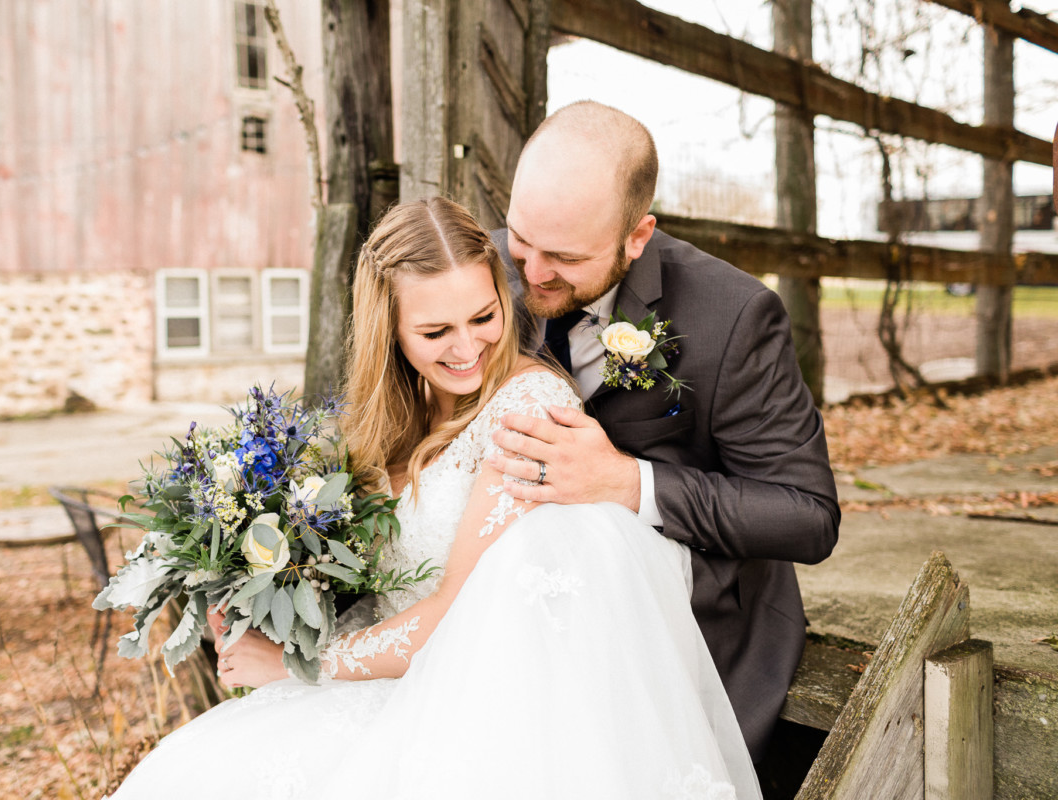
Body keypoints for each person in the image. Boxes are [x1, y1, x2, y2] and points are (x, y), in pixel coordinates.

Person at [108, 197, 762, 799]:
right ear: (389, 330)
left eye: (484, 316)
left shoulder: (529, 411)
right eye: (434, 331)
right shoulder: (388, 419)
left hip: (467, 702)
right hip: (385, 678)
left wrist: (294, 664)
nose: (467, 347)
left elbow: (454, 613)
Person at [486, 100, 841, 761]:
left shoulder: (733, 316)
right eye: (521, 238)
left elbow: (807, 515)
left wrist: (627, 483)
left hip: (685, 621)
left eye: (563, 256)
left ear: (637, 237)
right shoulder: (482, 269)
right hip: (508, 604)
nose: (529, 274)